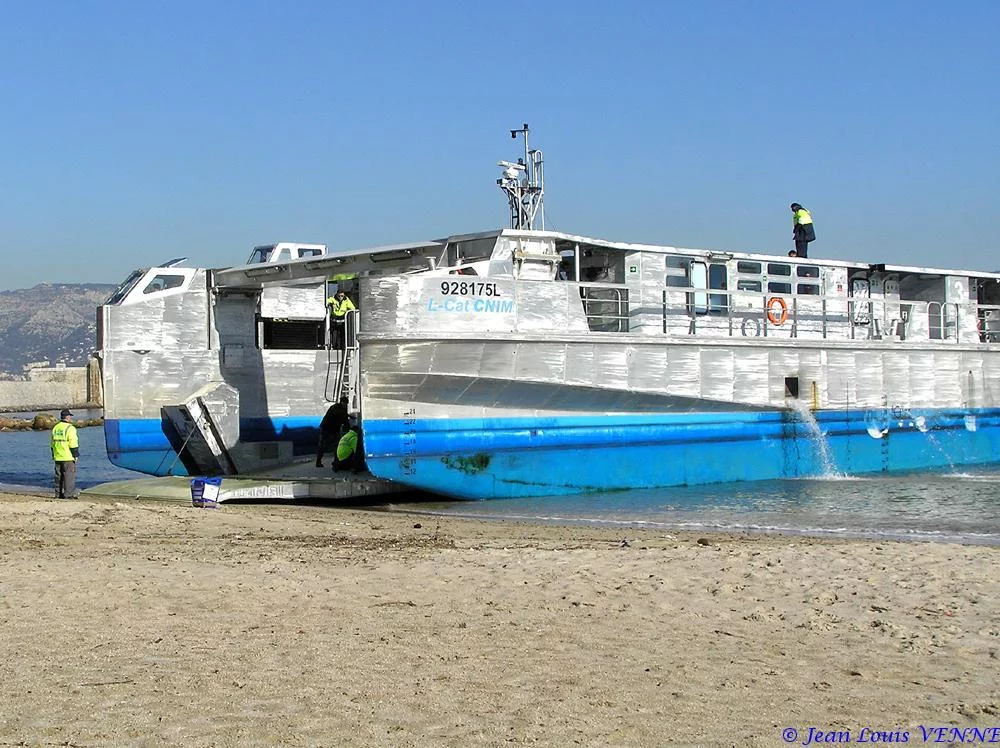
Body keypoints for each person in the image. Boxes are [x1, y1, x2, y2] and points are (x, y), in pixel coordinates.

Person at [51, 408, 80, 499]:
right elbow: (73, 443)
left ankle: (58, 494)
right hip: (68, 456)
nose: (70, 418)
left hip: (57, 455)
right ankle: (68, 494)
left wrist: (53, 453)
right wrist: (75, 455)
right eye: (70, 417)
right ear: (67, 417)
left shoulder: (56, 427)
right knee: (69, 476)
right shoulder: (70, 428)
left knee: (58, 477)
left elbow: (52, 443)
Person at [315, 397, 350, 467]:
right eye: (345, 403)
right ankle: (318, 461)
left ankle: (336, 461)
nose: (345, 405)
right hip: (326, 428)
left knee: (336, 445)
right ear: (341, 402)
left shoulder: (342, 409)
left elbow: (345, 419)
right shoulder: (335, 407)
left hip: (334, 429)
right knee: (323, 445)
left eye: (346, 404)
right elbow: (340, 416)